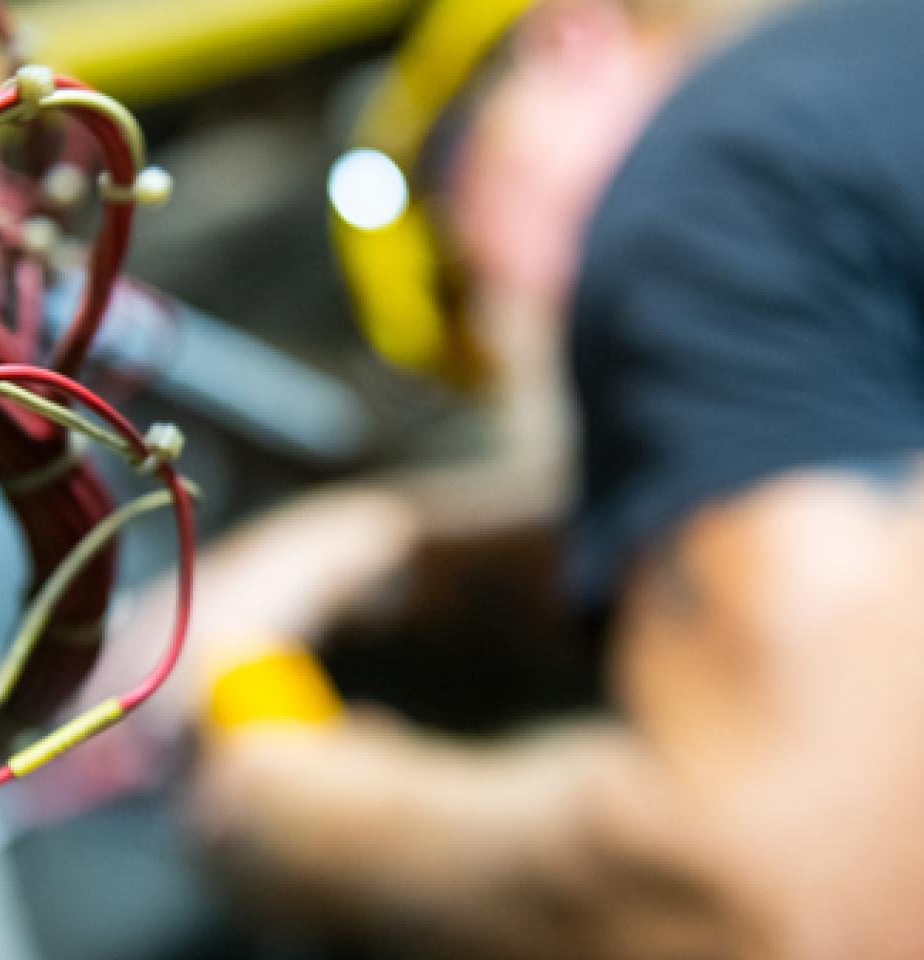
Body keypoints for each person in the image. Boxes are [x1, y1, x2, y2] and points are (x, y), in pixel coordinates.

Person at [159, 0, 924, 957]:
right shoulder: (873, 80)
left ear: (571, 38)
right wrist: (393, 538)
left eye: (454, 246)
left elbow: (768, 894)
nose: (487, 322)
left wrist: (298, 806)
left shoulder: (717, 167)